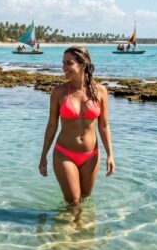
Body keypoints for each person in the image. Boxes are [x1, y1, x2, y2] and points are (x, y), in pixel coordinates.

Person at [39, 46, 115, 205]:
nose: (64, 68)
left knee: (85, 200)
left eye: (69, 63)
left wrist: (110, 154)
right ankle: (69, 228)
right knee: (73, 201)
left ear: (84, 64)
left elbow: (104, 125)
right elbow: (52, 125)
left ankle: (83, 229)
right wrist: (43, 155)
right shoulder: (58, 92)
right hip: (64, 154)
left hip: (91, 155)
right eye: (63, 63)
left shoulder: (100, 91)